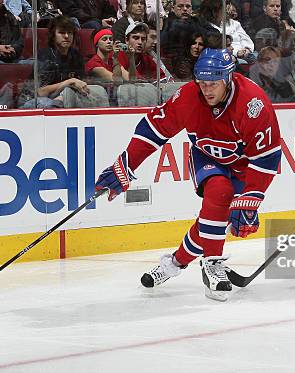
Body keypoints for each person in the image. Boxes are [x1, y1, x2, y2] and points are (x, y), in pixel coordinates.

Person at [94, 48, 282, 301]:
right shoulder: (188, 97)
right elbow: (153, 128)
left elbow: (267, 156)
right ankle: (213, 264)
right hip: (206, 156)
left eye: (213, 83)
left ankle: (174, 263)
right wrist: (126, 164)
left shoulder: (253, 104)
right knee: (219, 192)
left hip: (246, 167)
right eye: (202, 83)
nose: (206, 90)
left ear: (228, 78)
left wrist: (251, 197)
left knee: (212, 219)